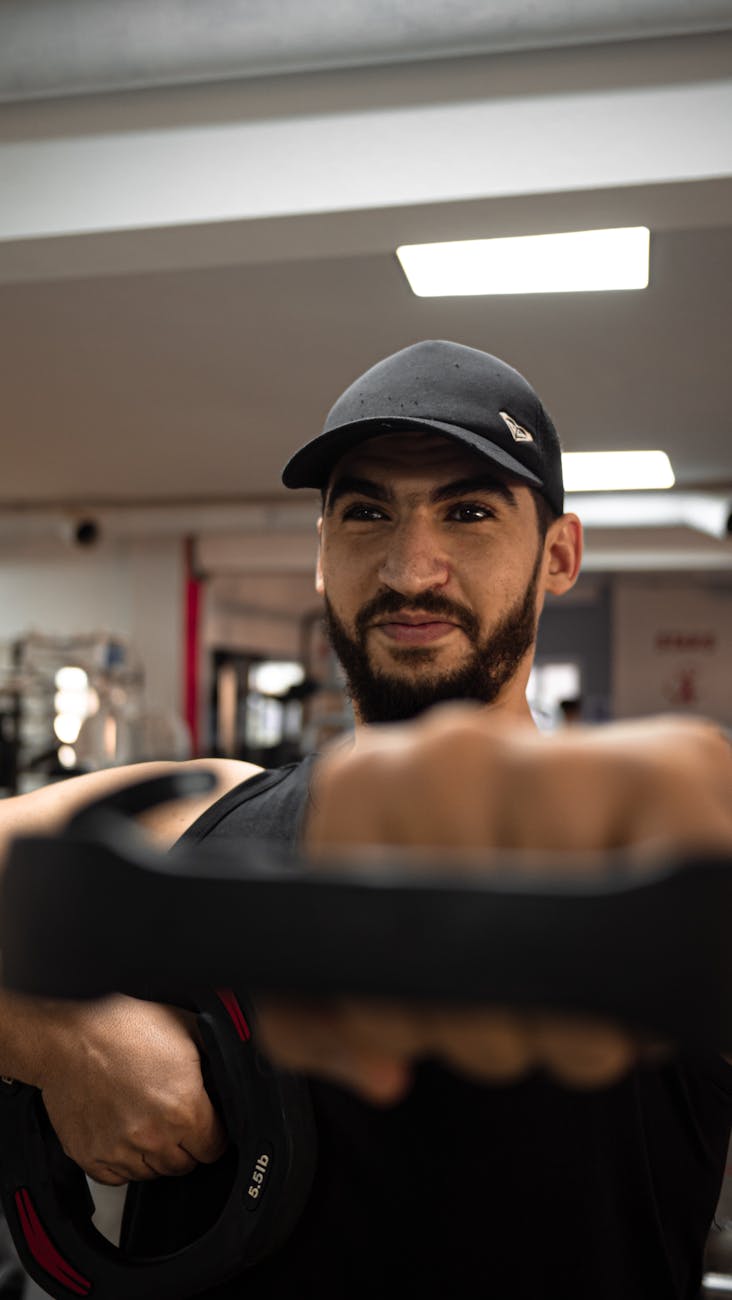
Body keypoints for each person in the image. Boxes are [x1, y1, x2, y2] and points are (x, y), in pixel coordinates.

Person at [0, 339, 731, 1299]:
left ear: (559, 555)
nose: (409, 565)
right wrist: (63, 1038)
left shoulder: (677, 842)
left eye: (468, 512)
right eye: (366, 512)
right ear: (321, 555)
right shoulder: (202, 813)